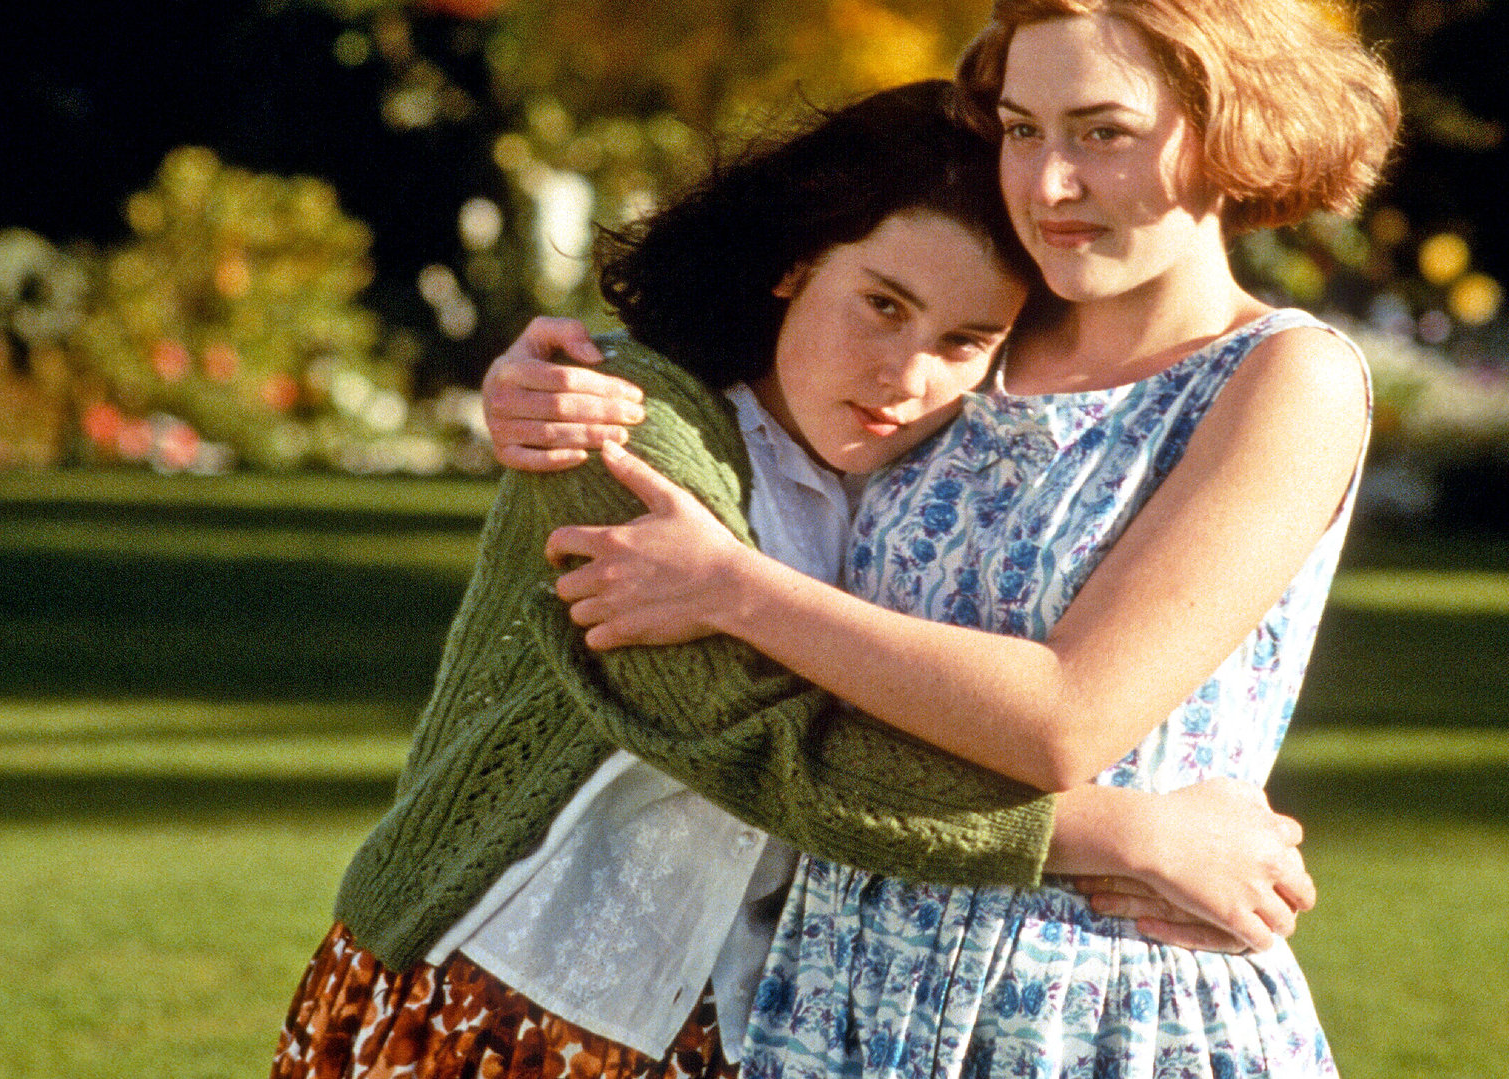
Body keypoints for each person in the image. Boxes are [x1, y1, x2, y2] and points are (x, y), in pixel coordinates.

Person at [493, 0, 1398, 1079]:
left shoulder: (1283, 377)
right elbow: (764, 377)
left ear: (1229, 129)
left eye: (1102, 133)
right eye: (1021, 130)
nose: (1048, 183)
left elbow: (1063, 719)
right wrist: (548, 376)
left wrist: (732, 590)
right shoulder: (976, 335)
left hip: (1091, 1010)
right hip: (828, 995)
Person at [271, 78, 1318, 1079]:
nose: (905, 377)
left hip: (743, 1032)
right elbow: (759, 740)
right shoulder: (621, 420)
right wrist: (1122, 833)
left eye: (964, 340)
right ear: (794, 263)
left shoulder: (931, 487)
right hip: (496, 989)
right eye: (881, 304)